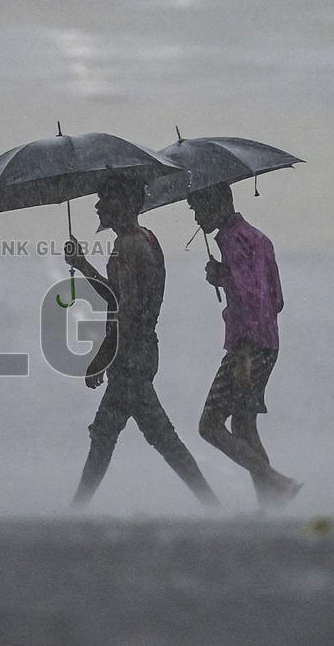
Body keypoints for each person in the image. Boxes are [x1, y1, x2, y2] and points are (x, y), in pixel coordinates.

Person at [65, 178, 220, 509]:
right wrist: (82, 265)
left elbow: (128, 310)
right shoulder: (142, 240)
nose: (98, 206)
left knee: (145, 436)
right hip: (139, 351)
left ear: (123, 204)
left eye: (104, 197)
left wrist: (102, 357)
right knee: (119, 435)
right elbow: (119, 295)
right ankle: (77, 509)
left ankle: (76, 510)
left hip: (131, 355)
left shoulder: (130, 246)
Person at [187, 184, 301, 508]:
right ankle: (271, 503)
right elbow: (274, 299)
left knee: (210, 424)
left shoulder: (231, 240)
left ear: (217, 202)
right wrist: (224, 276)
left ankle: (277, 482)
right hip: (269, 343)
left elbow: (251, 298)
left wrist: (244, 354)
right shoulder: (258, 238)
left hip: (247, 347)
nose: (196, 217)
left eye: (198, 207)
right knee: (243, 423)